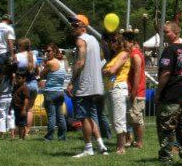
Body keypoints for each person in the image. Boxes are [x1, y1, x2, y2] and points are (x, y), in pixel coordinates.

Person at [69, 14, 108, 157]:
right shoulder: (94, 40)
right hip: (96, 85)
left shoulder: (81, 40)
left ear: (84, 27)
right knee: (91, 116)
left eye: (75, 25)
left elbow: (80, 62)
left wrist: (71, 81)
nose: (72, 27)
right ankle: (101, 146)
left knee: (83, 117)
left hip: (84, 85)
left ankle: (88, 148)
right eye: (72, 25)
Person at [155, 21, 182, 163]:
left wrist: (158, 92)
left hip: (171, 93)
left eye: (166, 32)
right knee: (181, 126)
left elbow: (165, 73)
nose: (164, 35)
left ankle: (166, 155)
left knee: (167, 126)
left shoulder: (170, 50)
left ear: (175, 32)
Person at [102, 33, 130, 154]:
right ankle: (119, 145)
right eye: (110, 41)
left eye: (114, 41)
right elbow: (107, 70)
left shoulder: (123, 54)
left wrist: (106, 70)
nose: (111, 43)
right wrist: (106, 71)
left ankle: (121, 147)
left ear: (120, 42)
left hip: (118, 87)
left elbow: (112, 70)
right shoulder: (115, 56)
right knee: (113, 119)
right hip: (111, 88)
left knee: (119, 118)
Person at [39, 43, 67, 141]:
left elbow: (41, 75)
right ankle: (62, 136)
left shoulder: (50, 63)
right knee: (60, 116)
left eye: (49, 51)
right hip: (60, 91)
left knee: (51, 116)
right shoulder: (63, 62)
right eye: (46, 51)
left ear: (54, 52)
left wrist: (42, 65)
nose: (47, 53)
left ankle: (49, 137)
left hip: (50, 92)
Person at [124, 31, 146, 149]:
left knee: (137, 119)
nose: (124, 44)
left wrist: (133, 92)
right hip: (131, 90)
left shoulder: (135, 55)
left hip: (137, 92)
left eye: (125, 42)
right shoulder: (130, 54)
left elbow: (137, 75)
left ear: (131, 42)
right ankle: (133, 140)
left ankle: (140, 142)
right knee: (131, 117)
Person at [15, 38, 38, 137]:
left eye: (18, 46)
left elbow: (13, 69)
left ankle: (21, 129)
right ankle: (27, 130)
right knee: (29, 109)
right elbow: (37, 71)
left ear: (21, 46)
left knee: (20, 108)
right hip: (33, 84)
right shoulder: (33, 56)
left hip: (23, 86)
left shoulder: (17, 56)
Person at [0, 61, 16, 138]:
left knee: (1, 116)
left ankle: (2, 133)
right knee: (11, 115)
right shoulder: (12, 77)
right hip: (10, 97)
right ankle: (12, 133)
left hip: (1, 97)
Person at [12, 73, 30, 140]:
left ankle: (21, 138)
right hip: (16, 108)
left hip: (22, 108)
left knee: (21, 124)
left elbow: (26, 99)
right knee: (19, 124)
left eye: (19, 78)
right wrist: (11, 107)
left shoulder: (24, 88)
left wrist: (24, 109)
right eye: (16, 78)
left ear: (24, 79)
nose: (17, 80)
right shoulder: (16, 87)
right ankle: (21, 136)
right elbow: (13, 97)